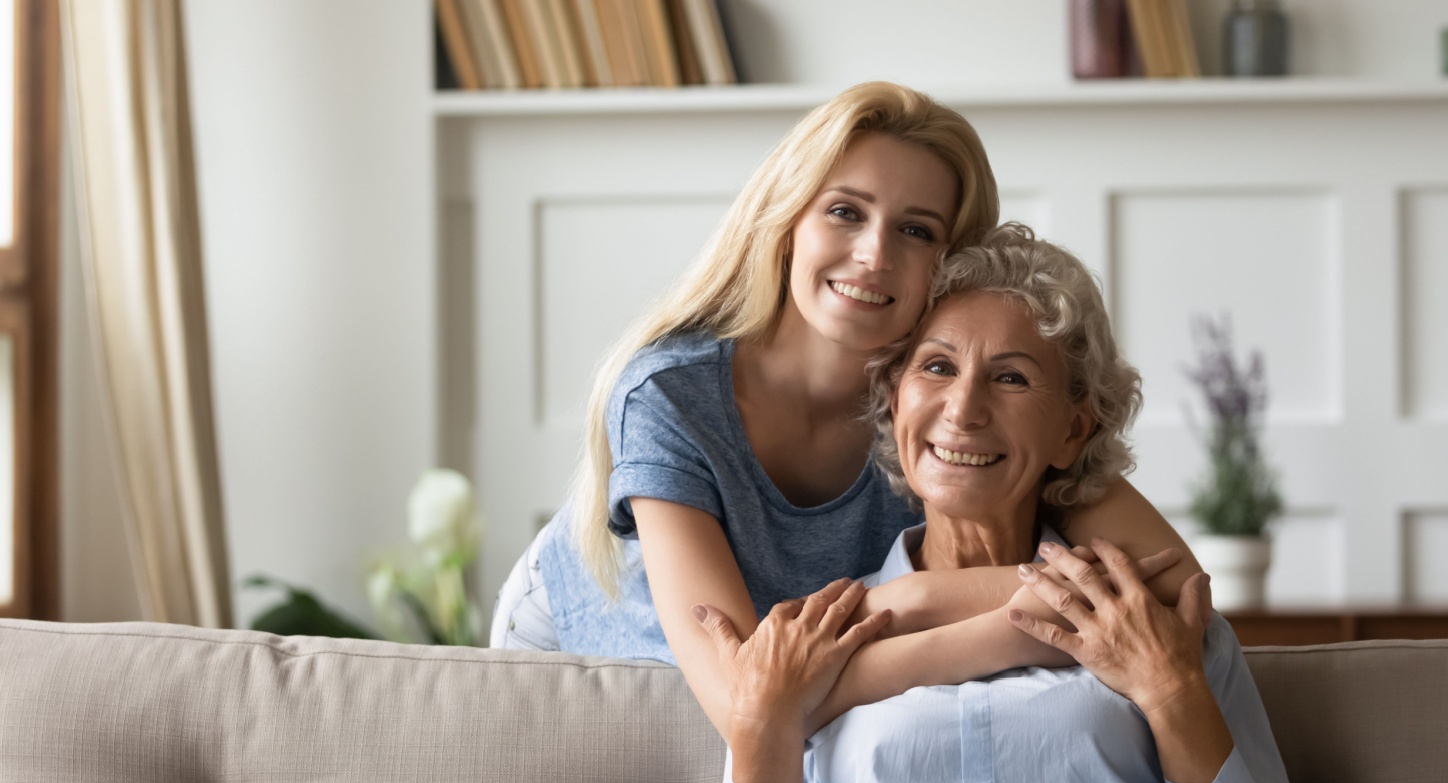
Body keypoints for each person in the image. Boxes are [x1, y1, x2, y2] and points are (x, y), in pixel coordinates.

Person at [697, 225, 1328, 783]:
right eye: (935, 367)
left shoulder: (1157, 628)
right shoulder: (813, 654)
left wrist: (1172, 695)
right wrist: (760, 737)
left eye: (1011, 376)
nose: (964, 407)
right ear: (894, 401)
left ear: (1073, 430)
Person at [489, 83, 1201, 740]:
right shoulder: (670, 396)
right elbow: (751, 700)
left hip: (815, 659)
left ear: (950, 261)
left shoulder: (945, 404)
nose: (873, 254)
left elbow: (1171, 579)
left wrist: (917, 602)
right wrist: (1021, 626)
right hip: (593, 620)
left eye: (916, 231)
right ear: (788, 219)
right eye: (845, 212)